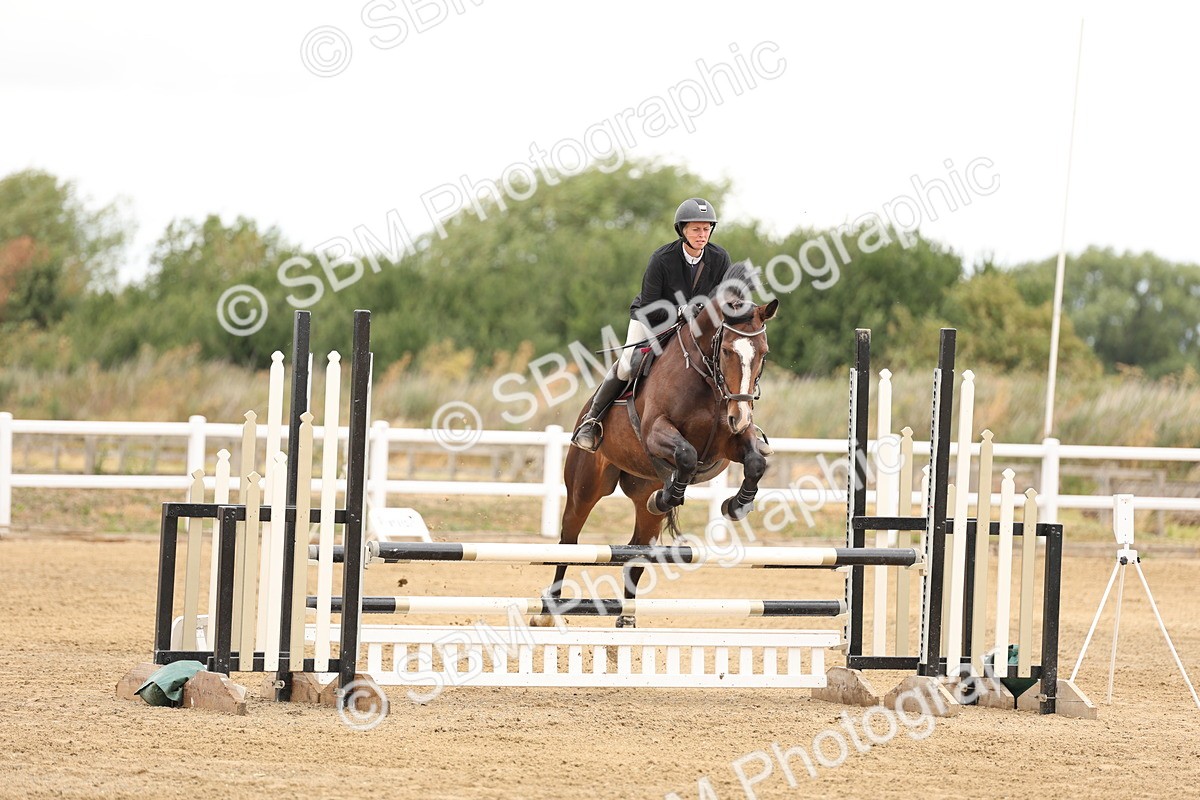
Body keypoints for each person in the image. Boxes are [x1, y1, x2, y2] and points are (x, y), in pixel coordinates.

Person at [571, 197, 733, 452]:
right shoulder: (662, 258)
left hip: (695, 326)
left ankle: (741, 423)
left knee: (728, 361)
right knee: (627, 364)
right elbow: (649, 306)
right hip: (654, 318)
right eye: (696, 229)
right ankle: (591, 421)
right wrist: (680, 310)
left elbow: (725, 297)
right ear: (683, 231)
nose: (702, 235)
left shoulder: (720, 257)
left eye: (706, 229)